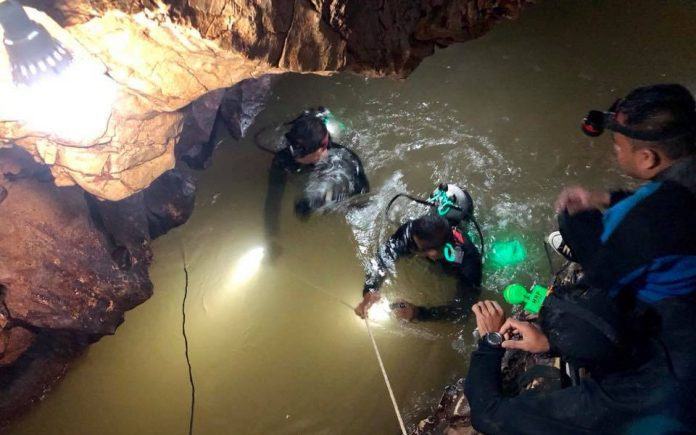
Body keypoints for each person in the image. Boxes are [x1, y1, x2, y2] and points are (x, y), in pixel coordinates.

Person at [546, 84, 696, 389]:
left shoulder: (636, 221)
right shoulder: (682, 177)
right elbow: (668, 200)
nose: (614, 152)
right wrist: (601, 197)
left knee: (572, 221)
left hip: (666, 315)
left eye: (617, 146)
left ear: (647, 159)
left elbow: (599, 282)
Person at [464, 290, 694, 435]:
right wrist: (554, 342)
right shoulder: (676, 315)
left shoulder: (601, 407)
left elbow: (487, 414)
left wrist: (490, 342)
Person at [263, 110, 369, 256]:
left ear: (320, 150)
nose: (293, 155)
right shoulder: (284, 159)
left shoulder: (345, 160)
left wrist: (320, 200)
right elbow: (273, 199)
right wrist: (271, 236)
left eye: (299, 153)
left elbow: (362, 199)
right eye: (292, 149)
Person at [353, 214, 482, 321]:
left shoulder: (469, 264)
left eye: (416, 248)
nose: (410, 246)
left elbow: (463, 310)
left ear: (432, 254)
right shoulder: (412, 231)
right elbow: (384, 256)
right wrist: (370, 289)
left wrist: (418, 313)